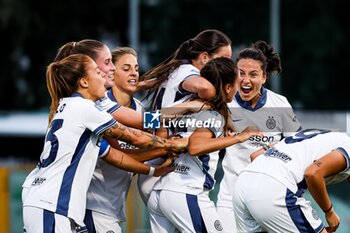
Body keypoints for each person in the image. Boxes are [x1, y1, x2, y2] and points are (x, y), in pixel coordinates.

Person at [21, 54, 187, 233]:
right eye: (122, 67)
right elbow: (140, 129)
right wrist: (186, 110)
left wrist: (154, 167)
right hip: (70, 204)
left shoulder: (74, 106)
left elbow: (117, 155)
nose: (133, 73)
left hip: (51, 202)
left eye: (136, 68)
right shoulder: (97, 106)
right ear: (84, 82)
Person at [147, 57, 263, 233]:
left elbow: (151, 123)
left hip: (161, 193)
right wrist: (240, 137)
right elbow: (196, 147)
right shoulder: (213, 116)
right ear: (228, 87)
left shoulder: (185, 105)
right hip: (187, 192)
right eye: (236, 83)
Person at [216, 40, 302, 232]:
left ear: (264, 77)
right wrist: (149, 124)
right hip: (231, 198)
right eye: (241, 73)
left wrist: (274, 151)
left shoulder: (279, 104)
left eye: (253, 74)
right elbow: (184, 118)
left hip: (268, 199)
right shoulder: (223, 103)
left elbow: (298, 148)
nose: (245, 80)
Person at [233, 128, 350, 233]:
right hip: (276, 189)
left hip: (244, 181)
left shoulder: (324, 137)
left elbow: (255, 155)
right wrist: (329, 212)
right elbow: (313, 173)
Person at [141, 28, 232, 110]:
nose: (228, 65)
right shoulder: (187, 71)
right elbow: (206, 88)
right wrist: (197, 104)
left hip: (157, 123)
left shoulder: (180, 68)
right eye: (224, 59)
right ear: (204, 58)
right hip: (160, 124)